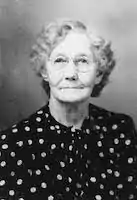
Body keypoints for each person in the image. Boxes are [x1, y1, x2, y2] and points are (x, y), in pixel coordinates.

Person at [0, 19, 137, 200]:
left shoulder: (119, 130)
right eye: (60, 60)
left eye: (82, 61)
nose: (71, 74)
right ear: (44, 71)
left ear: (99, 73)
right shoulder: (11, 145)